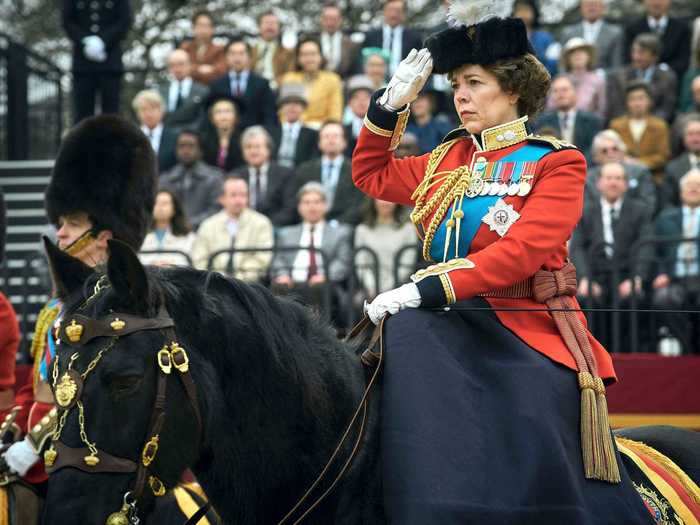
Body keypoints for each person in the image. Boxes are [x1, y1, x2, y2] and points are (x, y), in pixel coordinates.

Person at [352, 3, 655, 522]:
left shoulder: (555, 161)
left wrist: (427, 289)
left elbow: (522, 253)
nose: (460, 96)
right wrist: (388, 107)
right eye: (454, 86)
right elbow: (371, 175)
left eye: (473, 82)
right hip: (447, 322)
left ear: (513, 89)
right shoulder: (448, 158)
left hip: (524, 327)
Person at [0, 114, 156, 492]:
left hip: (77, 459)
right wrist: (13, 426)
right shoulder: (56, 308)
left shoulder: (118, 309)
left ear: (103, 236)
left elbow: (90, 395)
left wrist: (34, 444)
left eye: (70, 222)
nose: (60, 231)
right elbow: (38, 385)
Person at [570, 162, 653, 350]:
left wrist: (636, 278)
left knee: (634, 302)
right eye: (609, 178)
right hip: (595, 276)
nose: (613, 183)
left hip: (626, 275)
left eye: (618, 179)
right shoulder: (586, 211)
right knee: (584, 301)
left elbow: (646, 246)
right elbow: (578, 248)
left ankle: (630, 357)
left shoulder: (640, 210)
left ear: (625, 184)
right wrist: (584, 279)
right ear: (599, 183)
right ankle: (593, 356)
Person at [270, 182, 353, 315]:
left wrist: (325, 275)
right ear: (299, 207)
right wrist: (283, 275)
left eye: (316, 202)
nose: (312, 207)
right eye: (307, 202)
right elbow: (278, 259)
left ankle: (319, 332)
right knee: (279, 286)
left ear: (326, 206)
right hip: (293, 282)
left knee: (319, 288)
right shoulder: (286, 234)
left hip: (324, 284)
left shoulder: (340, 233)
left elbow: (342, 262)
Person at [652, 170, 700, 355]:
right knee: (664, 299)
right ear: (681, 192)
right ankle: (687, 348)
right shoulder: (665, 218)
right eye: (689, 185)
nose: (694, 189)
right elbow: (655, 251)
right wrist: (661, 273)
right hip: (674, 279)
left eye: (698, 185)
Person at [191, 176, 273, 282]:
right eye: (233, 195)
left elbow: (262, 258)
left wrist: (238, 279)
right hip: (214, 285)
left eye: (243, 195)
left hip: (250, 285)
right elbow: (199, 260)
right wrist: (215, 279)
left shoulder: (262, 223)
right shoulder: (208, 225)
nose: (239, 200)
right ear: (222, 199)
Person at [61, 0, 131, 123]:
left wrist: (104, 40)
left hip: (110, 62)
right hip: (83, 64)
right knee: (82, 115)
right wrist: (84, 41)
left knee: (111, 115)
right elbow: (67, 21)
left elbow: (124, 20)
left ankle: (110, 142)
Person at [296, 120, 367, 225]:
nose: (331, 140)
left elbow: (359, 204)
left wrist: (337, 223)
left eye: (335, 136)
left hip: (345, 226)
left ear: (344, 142)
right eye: (326, 136)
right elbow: (298, 201)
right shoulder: (304, 170)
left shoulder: (357, 170)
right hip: (310, 224)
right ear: (319, 143)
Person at [229, 126, 297, 226]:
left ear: (268, 149)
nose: (253, 151)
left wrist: (265, 226)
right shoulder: (236, 176)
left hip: (275, 228)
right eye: (248, 147)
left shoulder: (285, 174)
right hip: (242, 228)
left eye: (257, 147)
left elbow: (290, 208)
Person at [159, 129, 223, 230]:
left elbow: (216, 209)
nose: (186, 150)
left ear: (200, 150)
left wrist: (189, 224)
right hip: (171, 234)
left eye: (191, 146)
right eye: (182, 146)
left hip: (205, 233)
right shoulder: (165, 179)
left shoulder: (215, 178)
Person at [607, 33, 677, 123]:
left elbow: (667, 108)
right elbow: (616, 107)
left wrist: (649, 123)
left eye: (641, 53)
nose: (636, 57)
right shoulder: (619, 76)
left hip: (655, 126)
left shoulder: (668, 77)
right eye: (634, 52)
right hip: (625, 125)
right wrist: (631, 123)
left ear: (654, 56)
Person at [209, 38, 277, 130]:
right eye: (232, 54)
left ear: (249, 57)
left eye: (241, 53)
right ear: (226, 57)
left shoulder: (262, 84)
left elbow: (269, 116)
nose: (237, 58)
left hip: (254, 136)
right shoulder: (217, 85)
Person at [354, 198, 417, 297]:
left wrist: (387, 289)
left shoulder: (408, 229)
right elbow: (361, 264)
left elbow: (407, 264)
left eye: (389, 198)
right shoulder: (362, 230)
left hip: (400, 288)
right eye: (380, 199)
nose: (385, 203)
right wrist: (372, 286)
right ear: (373, 201)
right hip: (370, 290)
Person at [610, 81, 670, 181]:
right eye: (632, 99)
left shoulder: (660, 126)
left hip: (652, 176)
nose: (637, 103)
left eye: (641, 98)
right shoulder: (616, 125)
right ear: (627, 102)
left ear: (649, 101)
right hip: (622, 175)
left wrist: (639, 163)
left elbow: (663, 156)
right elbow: (612, 151)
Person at [585, 129, 657, 211]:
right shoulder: (589, 178)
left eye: (615, 149)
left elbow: (648, 205)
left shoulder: (640, 172)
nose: (610, 153)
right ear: (596, 157)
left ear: (622, 151)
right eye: (604, 151)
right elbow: (585, 209)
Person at [280, 37, 343, 129]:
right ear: (298, 58)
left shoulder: (332, 80)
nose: (309, 59)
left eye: (313, 54)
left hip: (322, 131)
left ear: (320, 56)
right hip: (294, 131)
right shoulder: (290, 79)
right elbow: (284, 114)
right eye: (304, 55)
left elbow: (335, 115)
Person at [534, 75, 602, 158]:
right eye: (555, 91)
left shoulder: (593, 121)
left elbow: (594, 151)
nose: (561, 94)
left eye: (565, 90)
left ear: (575, 92)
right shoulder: (541, 123)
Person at [624, 0, 691, 81]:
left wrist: (662, 70)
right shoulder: (632, 28)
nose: (656, 3)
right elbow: (627, 59)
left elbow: (683, 60)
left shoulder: (682, 28)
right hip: (638, 80)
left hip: (672, 81)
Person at [361, 0, 423, 76]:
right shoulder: (371, 36)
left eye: (397, 11)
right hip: (376, 82)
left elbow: (419, 65)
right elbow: (362, 62)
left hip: (405, 83)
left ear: (404, 14)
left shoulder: (414, 38)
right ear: (384, 12)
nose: (393, 15)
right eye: (390, 10)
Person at [558, 0, 624, 70]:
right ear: (581, 8)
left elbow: (617, 65)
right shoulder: (568, 33)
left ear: (603, 8)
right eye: (587, 5)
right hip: (572, 79)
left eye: (594, 5)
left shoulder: (615, 33)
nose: (591, 8)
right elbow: (562, 64)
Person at [156, 49, 209, 132]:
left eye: (181, 64)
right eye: (173, 65)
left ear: (189, 65)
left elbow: (203, 119)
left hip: (193, 137)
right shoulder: (160, 92)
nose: (177, 69)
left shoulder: (203, 91)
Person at [552, 38, 606, 118]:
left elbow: (602, 109)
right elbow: (550, 107)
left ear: (589, 56)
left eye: (582, 51)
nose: (578, 55)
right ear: (567, 58)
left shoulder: (597, 80)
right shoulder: (559, 80)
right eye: (573, 52)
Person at [139, 189, 196, 267]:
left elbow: (191, 262)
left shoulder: (188, 236)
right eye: (156, 203)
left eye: (164, 204)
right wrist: (152, 264)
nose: (159, 207)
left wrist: (170, 265)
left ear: (174, 208)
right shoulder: (140, 234)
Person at [269, 83, 320, 169]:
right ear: (281, 108)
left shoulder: (312, 134)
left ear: (303, 108)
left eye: (296, 103)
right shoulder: (270, 132)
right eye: (287, 103)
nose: (292, 107)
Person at [132, 89, 178, 173]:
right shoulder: (132, 137)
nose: (148, 114)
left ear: (162, 111)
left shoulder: (175, 137)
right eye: (143, 109)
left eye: (153, 109)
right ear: (137, 113)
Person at [179, 10, 227, 85]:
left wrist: (192, 69)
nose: (203, 30)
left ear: (212, 29)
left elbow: (221, 72)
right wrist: (201, 69)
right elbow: (180, 69)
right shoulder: (185, 48)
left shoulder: (220, 50)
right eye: (200, 25)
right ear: (193, 28)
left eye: (206, 26)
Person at [250, 10, 294, 90]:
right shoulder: (249, 51)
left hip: (277, 91)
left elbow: (290, 75)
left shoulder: (288, 53)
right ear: (259, 27)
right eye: (266, 23)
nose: (270, 26)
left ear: (279, 28)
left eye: (273, 23)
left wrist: (273, 84)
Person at [512, 0, 559, 75]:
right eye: (519, 10)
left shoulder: (547, 38)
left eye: (527, 10)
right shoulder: (507, 38)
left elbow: (553, 63)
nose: (523, 14)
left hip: (543, 80)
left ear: (534, 13)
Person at [201, 95, 245, 172]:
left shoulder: (244, 139)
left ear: (236, 116)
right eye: (218, 112)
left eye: (228, 111)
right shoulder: (202, 140)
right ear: (211, 118)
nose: (223, 117)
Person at [665, 116, 700, 207]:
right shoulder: (672, 168)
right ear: (683, 139)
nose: (695, 139)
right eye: (690, 134)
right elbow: (667, 203)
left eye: (699, 134)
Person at [317, 2, 358, 79]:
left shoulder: (352, 44)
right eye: (327, 18)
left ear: (340, 20)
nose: (330, 23)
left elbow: (355, 72)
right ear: (321, 20)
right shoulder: (313, 42)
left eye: (334, 19)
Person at [406, 88, 453, 154]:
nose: (417, 102)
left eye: (421, 98)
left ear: (431, 102)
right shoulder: (405, 130)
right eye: (413, 100)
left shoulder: (442, 127)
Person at [343, 75, 375, 156]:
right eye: (356, 97)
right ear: (349, 103)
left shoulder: (380, 129)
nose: (361, 101)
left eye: (366, 97)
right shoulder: (342, 130)